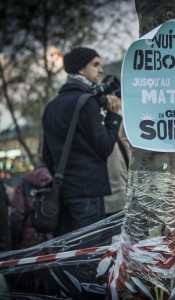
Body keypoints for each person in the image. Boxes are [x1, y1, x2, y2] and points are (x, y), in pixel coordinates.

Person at [42, 47, 122, 237]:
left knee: (69, 255)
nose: (101, 70)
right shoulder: (87, 101)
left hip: (63, 193)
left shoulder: (51, 106)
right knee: (90, 254)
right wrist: (113, 116)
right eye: (95, 64)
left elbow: (46, 154)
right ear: (80, 69)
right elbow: (104, 147)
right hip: (89, 192)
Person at [10, 167, 53, 249]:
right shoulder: (56, 182)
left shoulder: (23, 184)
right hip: (54, 241)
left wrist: (14, 242)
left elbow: (17, 216)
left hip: (28, 242)